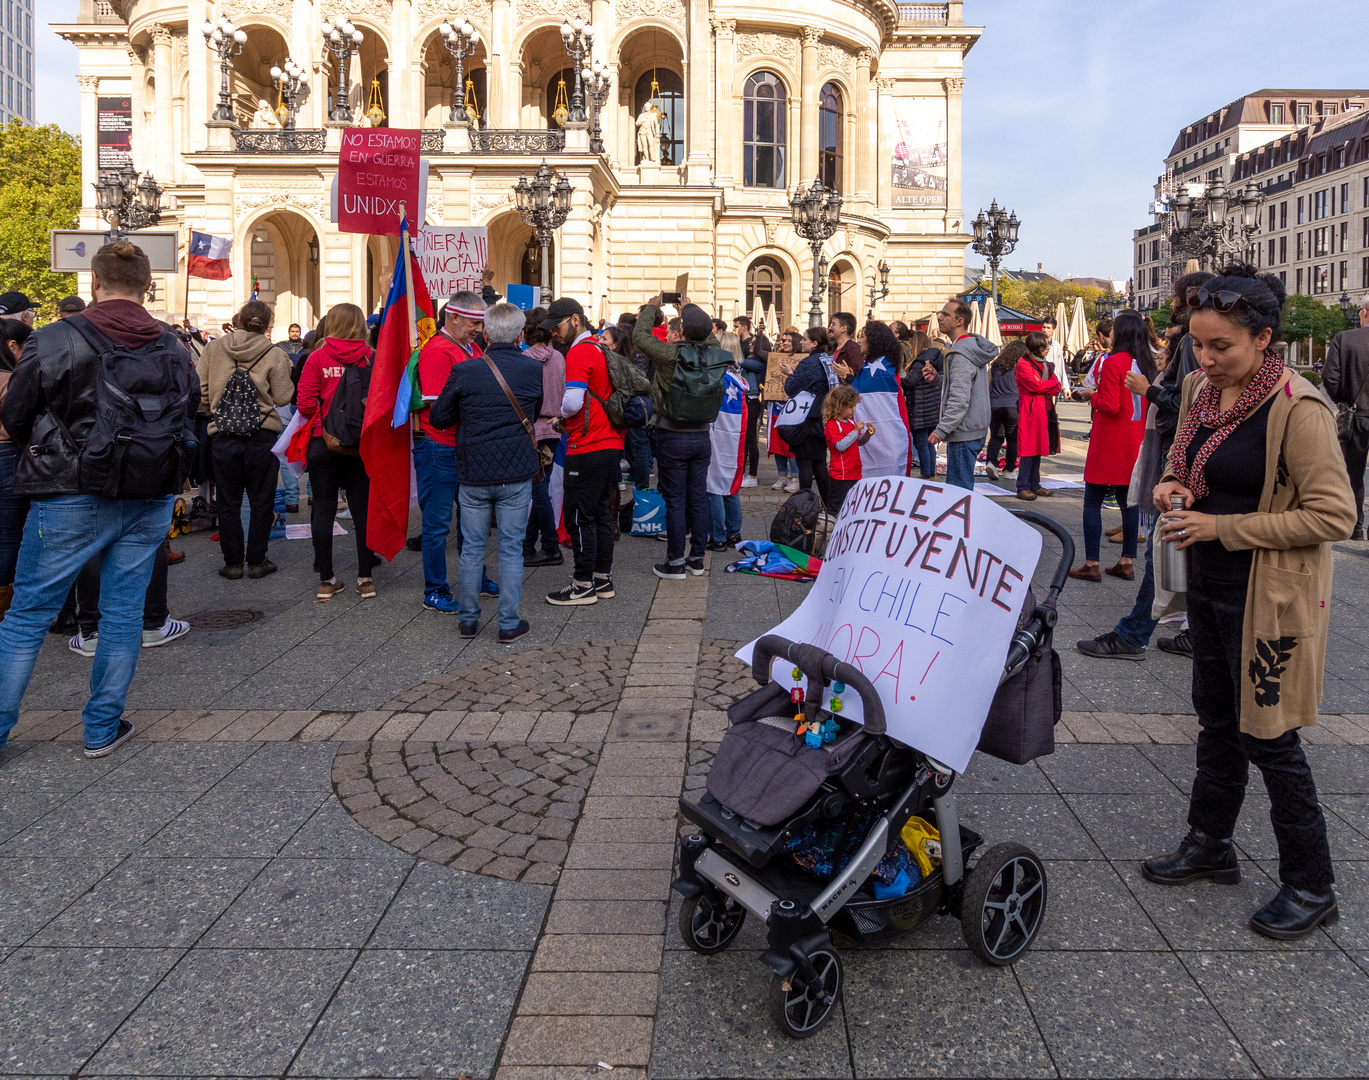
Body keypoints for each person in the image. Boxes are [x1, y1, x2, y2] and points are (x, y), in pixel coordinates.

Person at [1143, 264, 1355, 940]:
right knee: (1213, 719)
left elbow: (1334, 516)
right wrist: (1172, 487)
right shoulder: (1203, 389)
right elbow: (1184, 460)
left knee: (1270, 736)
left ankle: (1310, 883)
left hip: (1269, 598)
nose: (1205, 360)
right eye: (1198, 345)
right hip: (1205, 583)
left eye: (1220, 346)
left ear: (1263, 338)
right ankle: (1210, 844)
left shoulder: (1299, 408)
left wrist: (1223, 528)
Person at [0, 240, 199, 756]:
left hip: (67, 491)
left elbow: (16, 416)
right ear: (147, 287)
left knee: (26, 616)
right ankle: (101, 729)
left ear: (94, 283)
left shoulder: (54, 338)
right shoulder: (173, 346)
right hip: (148, 492)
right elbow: (189, 413)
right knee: (122, 614)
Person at [1078, 270, 1212, 660]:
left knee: (1162, 538)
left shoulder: (1171, 348)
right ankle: (1184, 627)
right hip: (1144, 442)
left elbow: (1187, 403)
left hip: (1148, 447)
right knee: (1146, 522)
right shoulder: (1149, 358)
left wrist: (1141, 392)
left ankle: (1132, 630)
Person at [429, 301, 542, 643]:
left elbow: (439, 418)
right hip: (516, 471)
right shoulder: (532, 369)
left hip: (474, 470)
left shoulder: (467, 370)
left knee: (472, 548)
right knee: (510, 548)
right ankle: (508, 622)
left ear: (487, 333)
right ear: (521, 334)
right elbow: (534, 413)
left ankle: (468, 620)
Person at [412, 291, 497, 613]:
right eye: (474, 323)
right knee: (437, 524)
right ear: (454, 317)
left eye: (481, 323)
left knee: (471, 520)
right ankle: (434, 589)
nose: (478, 329)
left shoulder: (470, 347)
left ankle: (476, 578)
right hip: (439, 447)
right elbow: (439, 407)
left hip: (462, 445)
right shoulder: (437, 350)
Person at [199, 300, 294, 579]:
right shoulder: (273, 352)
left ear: (238, 319)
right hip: (261, 434)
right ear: (268, 325)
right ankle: (256, 561)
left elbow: (201, 388)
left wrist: (212, 408)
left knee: (228, 501)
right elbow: (282, 397)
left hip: (223, 435)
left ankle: (231, 564)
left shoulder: (214, 348)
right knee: (261, 500)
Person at [634, 295, 725, 579]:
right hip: (701, 436)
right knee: (698, 497)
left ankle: (675, 562)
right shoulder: (714, 351)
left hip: (671, 434)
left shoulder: (670, 355)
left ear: (682, 331)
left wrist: (652, 307)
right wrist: (688, 308)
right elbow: (706, 335)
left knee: (675, 500)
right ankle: (697, 559)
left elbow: (639, 335)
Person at [295, 302, 377, 601]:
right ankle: (365, 578)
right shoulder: (371, 357)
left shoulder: (316, 357)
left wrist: (325, 429)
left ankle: (327, 580)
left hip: (322, 443)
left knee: (324, 509)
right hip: (360, 445)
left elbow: (304, 405)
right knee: (362, 510)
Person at [546, 297, 621, 605]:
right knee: (602, 513)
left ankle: (581, 585)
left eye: (557, 326)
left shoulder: (579, 351)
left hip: (587, 444)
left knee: (579, 516)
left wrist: (561, 415)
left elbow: (574, 400)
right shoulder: (600, 347)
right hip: (610, 443)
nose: (553, 332)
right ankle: (602, 580)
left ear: (575, 319)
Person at [1069, 311, 1153, 582]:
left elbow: (1109, 404)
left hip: (1110, 439)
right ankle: (1126, 561)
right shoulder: (1149, 363)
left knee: (1092, 501)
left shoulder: (1114, 361)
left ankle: (1092, 563)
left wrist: (1090, 396)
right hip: (1136, 438)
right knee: (1128, 503)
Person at [930, 299, 994, 490]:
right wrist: (937, 380)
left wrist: (941, 430)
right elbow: (965, 388)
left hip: (963, 431)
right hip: (974, 428)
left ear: (959, 321)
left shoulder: (960, 352)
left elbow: (959, 399)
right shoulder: (970, 347)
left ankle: (961, 521)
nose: (940, 318)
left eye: (945, 314)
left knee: (958, 492)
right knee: (962, 488)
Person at [1323, 296, 1369, 542]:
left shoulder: (1345, 338)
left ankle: (1356, 527)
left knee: (1354, 474)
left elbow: (1330, 377)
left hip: (1356, 416)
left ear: (1363, 312)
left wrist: (1344, 401)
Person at [522, 307, 565, 567]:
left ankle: (550, 546)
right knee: (542, 487)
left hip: (533, 430)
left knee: (538, 490)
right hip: (554, 428)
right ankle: (528, 544)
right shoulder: (559, 357)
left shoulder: (526, 358)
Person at [783, 326, 839, 511]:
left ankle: (805, 505)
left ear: (814, 343)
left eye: (804, 339)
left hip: (807, 419)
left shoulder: (809, 363)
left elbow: (792, 389)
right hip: (822, 417)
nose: (801, 342)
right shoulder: (827, 359)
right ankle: (830, 504)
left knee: (805, 463)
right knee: (819, 463)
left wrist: (790, 374)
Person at [0, 319, 33, 617]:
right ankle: (5, 601)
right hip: (7, 454)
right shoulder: (10, 380)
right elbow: (18, 421)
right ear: (12, 347)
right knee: (9, 533)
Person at [706, 332, 747, 550]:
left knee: (713, 486)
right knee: (731, 486)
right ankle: (734, 533)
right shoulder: (739, 377)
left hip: (718, 434)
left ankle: (718, 537)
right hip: (734, 437)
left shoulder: (719, 376)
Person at [1013, 331, 1060, 501]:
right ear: (1038, 347)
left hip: (1044, 409)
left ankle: (1034, 484)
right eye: (1046, 345)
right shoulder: (1024, 364)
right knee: (1028, 448)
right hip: (1030, 410)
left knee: (1038, 447)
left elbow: (1056, 386)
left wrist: (1045, 386)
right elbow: (1035, 386)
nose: (1048, 348)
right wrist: (1048, 385)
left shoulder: (1045, 364)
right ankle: (1023, 486)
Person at [900, 329, 943, 480]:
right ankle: (930, 473)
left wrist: (898, 377)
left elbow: (909, 382)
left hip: (921, 408)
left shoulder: (920, 361)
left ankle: (926, 474)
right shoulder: (934, 358)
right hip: (931, 407)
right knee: (930, 443)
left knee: (921, 443)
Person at [823, 384, 873, 513]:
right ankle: (831, 527)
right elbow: (841, 446)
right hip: (841, 474)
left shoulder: (850, 422)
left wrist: (867, 435)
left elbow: (858, 442)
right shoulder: (832, 425)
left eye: (854, 406)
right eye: (850, 407)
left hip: (854, 470)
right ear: (840, 407)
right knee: (836, 505)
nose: (854, 410)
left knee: (852, 503)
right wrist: (855, 431)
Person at [733, 315, 769, 487]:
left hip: (752, 397)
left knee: (750, 437)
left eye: (737, 326)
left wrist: (741, 360)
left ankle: (753, 475)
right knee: (744, 437)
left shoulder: (756, 359)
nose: (752, 347)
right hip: (744, 396)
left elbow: (759, 366)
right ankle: (744, 472)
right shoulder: (746, 353)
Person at [985, 340, 1024, 480]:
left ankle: (990, 462)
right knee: (1013, 439)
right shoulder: (1019, 366)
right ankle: (1009, 469)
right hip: (1013, 405)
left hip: (994, 406)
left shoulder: (995, 366)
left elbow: (987, 385)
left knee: (996, 436)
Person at [767, 330, 800, 491]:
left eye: (789, 340)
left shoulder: (803, 360)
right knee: (777, 443)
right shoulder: (774, 359)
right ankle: (782, 476)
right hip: (776, 406)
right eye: (783, 340)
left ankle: (795, 477)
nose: (785, 342)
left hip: (793, 408)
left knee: (791, 443)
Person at [1040, 317, 1072, 397]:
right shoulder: (1037, 343)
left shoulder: (1056, 345)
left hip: (1053, 384)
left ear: (1053, 330)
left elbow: (1061, 366)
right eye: (1044, 327)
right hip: (1040, 383)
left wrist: (1066, 387)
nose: (1045, 330)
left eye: (1048, 328)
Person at [828, 312, 863, 379]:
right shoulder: (832, 347)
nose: (830, 328)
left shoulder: (852, 349)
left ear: (843, 328)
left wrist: (847, 377)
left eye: (833, 324)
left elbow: (858, 375)